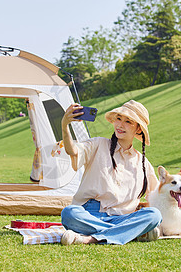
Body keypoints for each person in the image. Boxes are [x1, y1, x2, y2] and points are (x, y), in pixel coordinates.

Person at [60, 100, 162, 245]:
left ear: (138, 129)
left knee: (154, 215)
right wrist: (65, 125)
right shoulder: (98, 144)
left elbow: (158, 194)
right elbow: (73, 151)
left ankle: (91, 239)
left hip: (122, 217)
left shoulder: (143, 163)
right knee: (69, 213)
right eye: (119, 119)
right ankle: (130, 233)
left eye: (128, 122)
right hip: (88, 213)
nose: (120, 125)